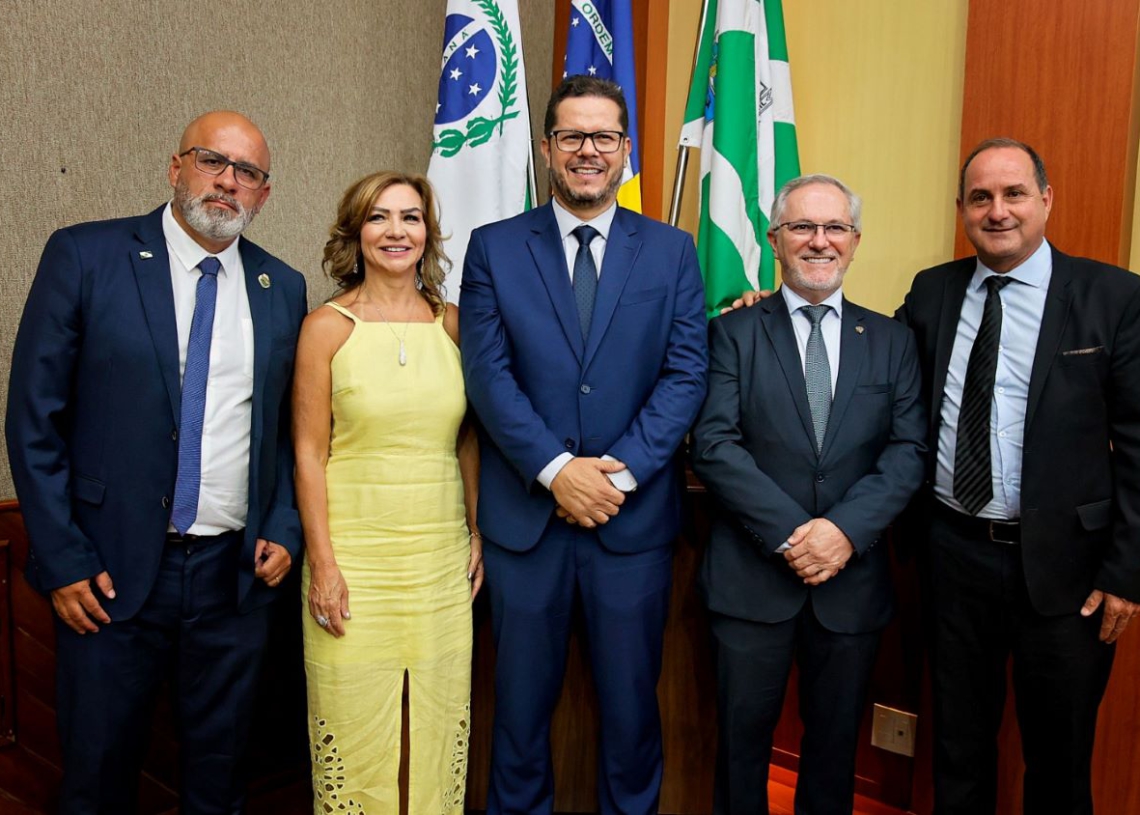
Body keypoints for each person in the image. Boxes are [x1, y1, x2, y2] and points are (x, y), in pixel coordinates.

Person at [5, 111, 307, 814]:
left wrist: (286, 525)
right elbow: (33, 418)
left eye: (248, 173)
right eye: (213, 161)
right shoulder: (86, 256)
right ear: (176, 168)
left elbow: (296, 429)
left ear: (264, 194)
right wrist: (63, 557)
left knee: (220, 779)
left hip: (235, 580)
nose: (228, 181)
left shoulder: (281, 288)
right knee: (98, 775)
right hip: (106, 577)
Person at [459, 75, 708, 814]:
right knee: (519, 719)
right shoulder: (494, 249)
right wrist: (557, 470)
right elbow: (488, 375)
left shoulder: (671, 252)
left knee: (633, 717)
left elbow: (686, 373)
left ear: (625, 150)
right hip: (524, 528)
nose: (588, 150)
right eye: (572, 136)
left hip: (631, 528)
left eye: (603, 137)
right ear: (547, 148)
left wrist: (615, 477)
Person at [895, 138, 1140, 814]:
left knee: (1059, 759)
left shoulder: (1113, 297)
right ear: (962, 210)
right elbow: (875, 374)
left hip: (1069, 572)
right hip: (953, 556)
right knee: (958, 745)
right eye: (980, 197)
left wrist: (1126, 570)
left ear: (1045, 200)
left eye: (1013, 194)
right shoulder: (932, 290)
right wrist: (778, 307)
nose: (997, 211)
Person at [690, 174, 926, 814]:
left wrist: (843, 532)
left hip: (850, 587)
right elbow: (713, 444)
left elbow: (908, 452)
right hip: (751, 582)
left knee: (833, 754)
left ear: (854, 242)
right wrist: (797, 534)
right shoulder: (731, 334)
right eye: (802, 227)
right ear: (774, 240)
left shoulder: (893, 342)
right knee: (741, 753)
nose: (818, 242)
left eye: (834, 229)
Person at [292, 171, 483, 813]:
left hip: (438, 564)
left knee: (437, 733)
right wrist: (323, 565)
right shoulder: (327, 327)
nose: (395, 231)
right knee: (352, 732)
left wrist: (476, 532)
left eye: (410, 217)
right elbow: (308, 454)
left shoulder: (455, 326)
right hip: (354, 563)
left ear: (428, 232)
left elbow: (468, 442)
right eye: (379, 217)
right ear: (356, 232)